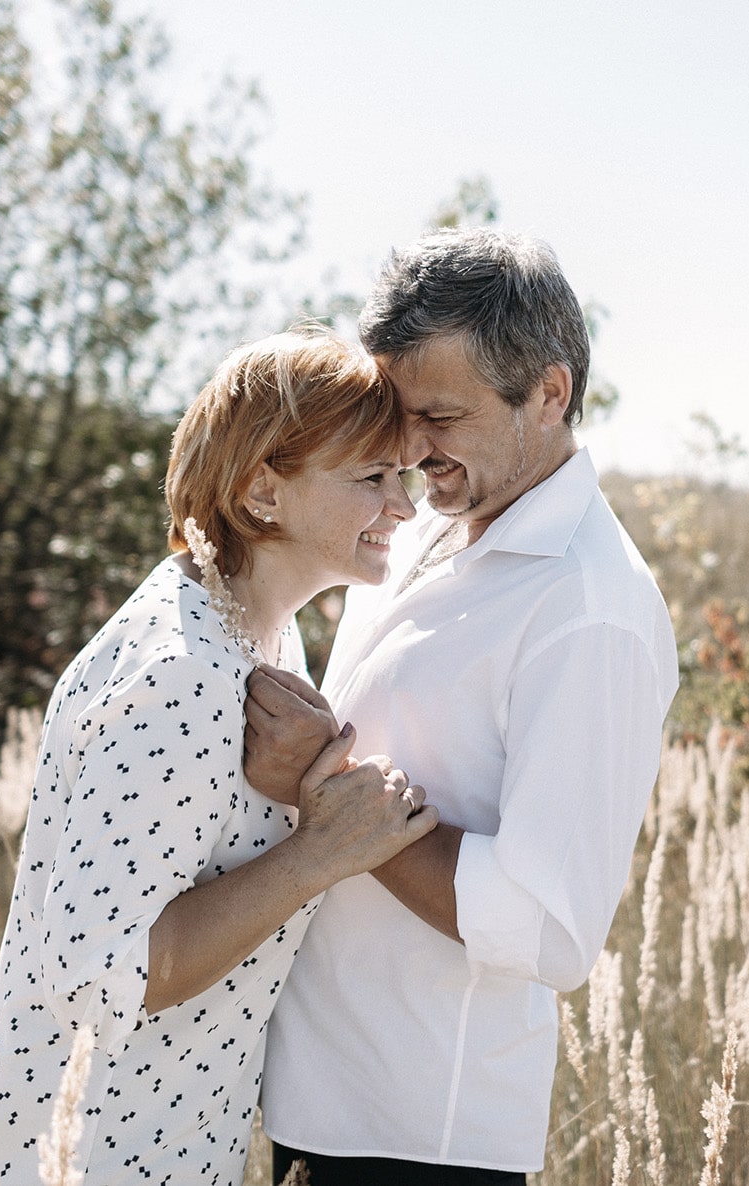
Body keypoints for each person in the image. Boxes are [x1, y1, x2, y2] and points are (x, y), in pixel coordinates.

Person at [0, 329, 438, 1186]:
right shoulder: (182, 671)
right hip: (68, 1153)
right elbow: (105, 972)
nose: (404, 507)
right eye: (373, 479)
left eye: (405, 477)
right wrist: (318, 855)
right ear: (261, 490)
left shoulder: (260, 642)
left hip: (156, 1140)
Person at [246, 229, 679, 1182]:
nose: (408, 448)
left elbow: (549, 928)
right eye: (399, 413)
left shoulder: (589, 610)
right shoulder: (416, 529)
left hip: (418, 1138)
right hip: (311, 1099)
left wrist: (327, 789)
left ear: (551, 393)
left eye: (439, 414)